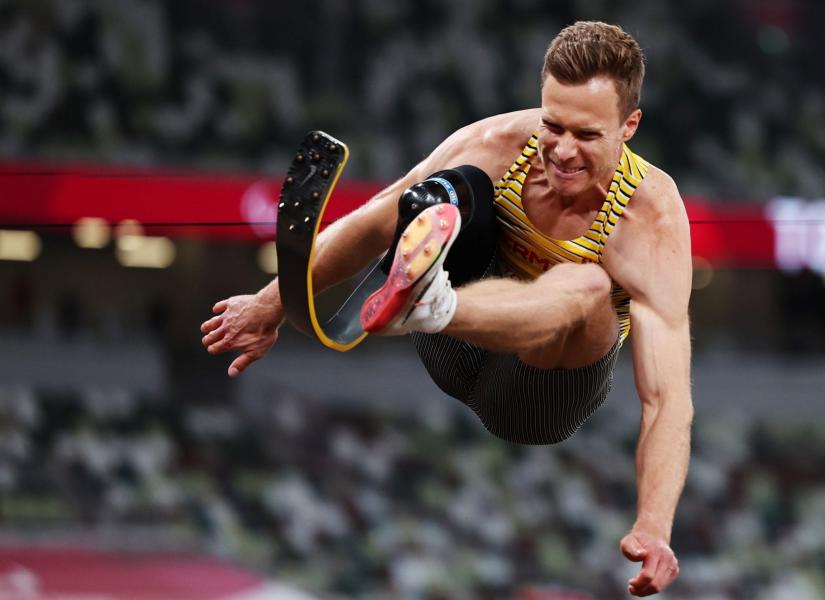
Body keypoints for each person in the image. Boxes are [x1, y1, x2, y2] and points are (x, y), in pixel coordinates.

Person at [201, 21, 692, 597]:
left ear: (629, 125)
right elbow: (380, 216)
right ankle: (427, 302)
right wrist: (271, 304)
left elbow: (667, 400)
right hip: (453, 352)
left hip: (533, 399)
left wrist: (654, 526)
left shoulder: (651, 223)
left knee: (584, 287)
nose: (560, 150)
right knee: (436, 194)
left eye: (585, 135)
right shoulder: (500, 144)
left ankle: (432, 304)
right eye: (551, 124)